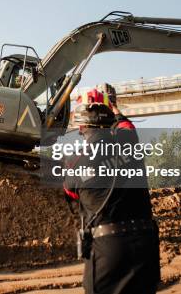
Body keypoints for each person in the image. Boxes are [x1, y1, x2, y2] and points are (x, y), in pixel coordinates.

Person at [63, 86, 160, 294]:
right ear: (110, 121)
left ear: (81, 127)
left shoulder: (75, 161)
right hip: (146, 245)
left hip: (109, 250)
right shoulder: (129, 143)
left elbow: (70, 193)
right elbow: (126, 126)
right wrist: (114, 109)